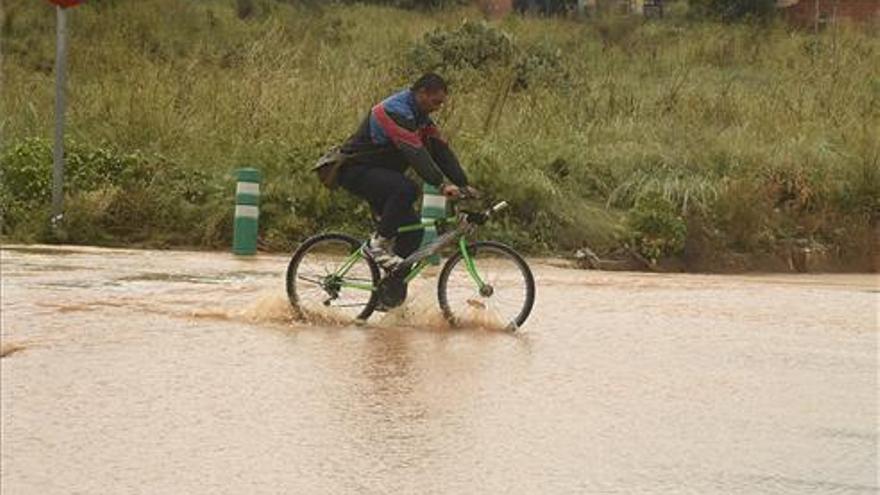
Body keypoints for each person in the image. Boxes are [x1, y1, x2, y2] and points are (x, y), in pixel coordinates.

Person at [333, 73, 476, 271]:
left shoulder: (421, 118)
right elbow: (416, 153)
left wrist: (463, 184)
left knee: (413, 234)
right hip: (355, 169)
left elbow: (440, 151)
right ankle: (379, 245)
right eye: (436, 102)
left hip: (379, 174)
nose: (438, 107)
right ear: (422, 93)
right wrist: (441, 185)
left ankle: (389, 297)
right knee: (407, 188)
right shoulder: (394, 111)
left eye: (441, 103)